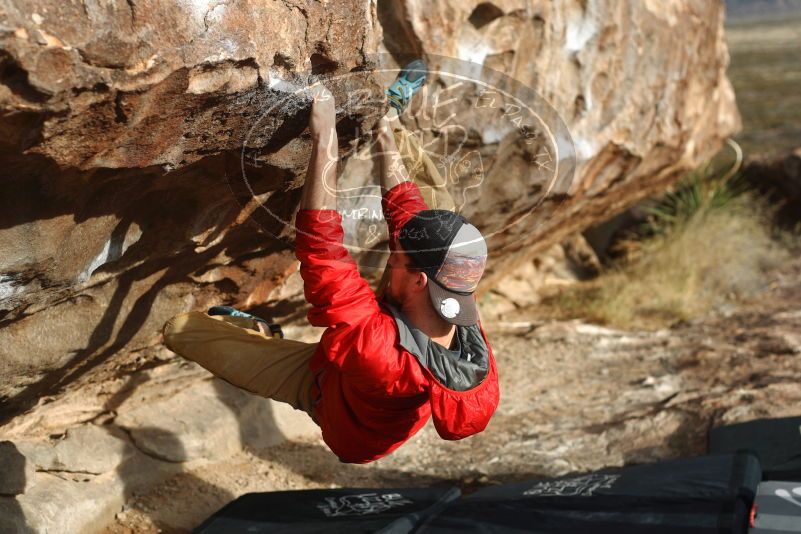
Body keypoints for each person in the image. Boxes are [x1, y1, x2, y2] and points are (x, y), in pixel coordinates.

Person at [163, 61, 499, 464]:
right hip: (381, 334)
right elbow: (406, 213)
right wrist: (382, 130)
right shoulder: (459, 301)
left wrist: (325, 140)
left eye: (397, 258)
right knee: (435, 209)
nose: (390, 253)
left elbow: (322, 249)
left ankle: (263, 335)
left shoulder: (377, 350)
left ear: (418, 283)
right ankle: (389, 120)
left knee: (180, 330)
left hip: (332, 403)